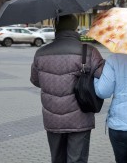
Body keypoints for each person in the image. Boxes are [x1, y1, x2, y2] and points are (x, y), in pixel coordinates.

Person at [30, 14, 104, 163]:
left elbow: (36, 81)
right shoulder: (88, 51)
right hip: (80, 118)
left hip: (52, 118)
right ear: (75, 27)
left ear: (56, 27)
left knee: (57, 159)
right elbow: (103, 79)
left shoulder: (41, 53)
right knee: (77, 160)